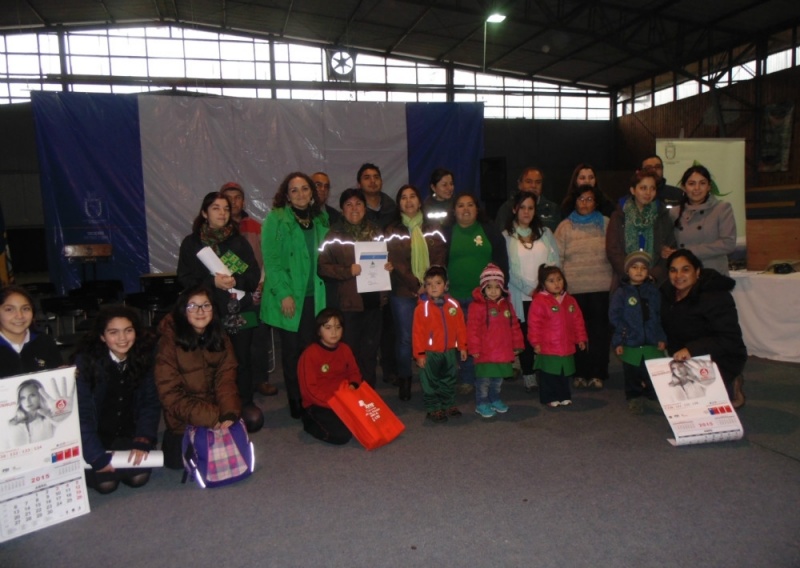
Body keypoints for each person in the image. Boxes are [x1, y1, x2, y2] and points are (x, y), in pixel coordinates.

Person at [177, 191, 262, 427]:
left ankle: (244, 402)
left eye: (226, 208)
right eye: (216, 208)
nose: (222, 213)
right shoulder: (191, 243)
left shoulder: (239, 241)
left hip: (240, 310)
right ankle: (211, 406)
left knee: (241, 359)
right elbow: (184, 278)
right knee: (209, 362)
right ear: (204, 213)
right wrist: (211, 282)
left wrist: (236, 281)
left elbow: (253, 275)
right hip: (207, 314)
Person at [261, 172, 329, 419]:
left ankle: (311, 395)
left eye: (305, 188)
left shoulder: (321, 218)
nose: (300, 194)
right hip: (290, 296)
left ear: (312, 192)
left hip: (316, 295)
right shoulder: (276, 219)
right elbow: (272, 261)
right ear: (287, 196)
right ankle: (295, 399)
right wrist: (283, 294)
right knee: (292, 352)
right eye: (294, 190)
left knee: (312, 349)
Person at [72, 305, 160, 494]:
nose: (122, 338)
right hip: (97, 436)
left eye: (128, 331)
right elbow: (83, 414)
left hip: (128, 434)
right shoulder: (86, 363)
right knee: (106, 485)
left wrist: (142, 439)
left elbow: (150, 404)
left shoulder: (144, 357)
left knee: (138, 478)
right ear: (103, 337)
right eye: (114, 332)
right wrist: (95, 455)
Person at [154, 285, 242, 470]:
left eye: (206, 305)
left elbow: (226, 379)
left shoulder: (219, 335)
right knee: (178, 462)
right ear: (182, 310)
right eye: (192, 306)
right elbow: (170, 395)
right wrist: (213, 418)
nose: (200, 311)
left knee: (252, 419)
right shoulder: (168, 341)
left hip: (216, 410)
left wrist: (228, 413)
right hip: (184, 420)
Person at [318, 188, 393, 387]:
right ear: (342, 209)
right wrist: (347, 270)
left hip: (374, 302)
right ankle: (351, 394)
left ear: (365, 208)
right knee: (350, 352)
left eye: (358, 204)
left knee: (369, 352)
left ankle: (369, 393)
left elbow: (386, 258)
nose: (354, 208)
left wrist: (388, 266)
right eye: (349, 204)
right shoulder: (333, 234)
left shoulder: (376, 232)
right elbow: (322, 267)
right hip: (349, 304)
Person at [660, 249, 747, 408]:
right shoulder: (666, 294)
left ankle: (732, 380)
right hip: (681, 358)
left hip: (720, 356)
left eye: (685, 269)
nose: (678, 275)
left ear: (697, 271)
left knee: (708, 405)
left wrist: (691, 350)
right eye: (673, 270)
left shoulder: (716, 296)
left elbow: (729, 339)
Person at [385, 184, 447, 401]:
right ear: (398, 203)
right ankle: (405, 379)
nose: (408, 201)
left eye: (413, 196)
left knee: (432, 337)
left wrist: (429, 284)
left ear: (420, 201)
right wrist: (415, 285)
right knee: (404, 339)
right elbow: (394, 261)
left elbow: (440, 255)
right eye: (403, 197)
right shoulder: (392, 230)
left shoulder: (434, 227)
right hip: (402, 292)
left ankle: (431, 378)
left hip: (432, 291)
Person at [443, 193, 508, 394]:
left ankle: (470, 379)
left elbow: (501, 260)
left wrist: (499, 291)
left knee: (475, 340)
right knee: (454, 339)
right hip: (452, 297)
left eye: (470, 204)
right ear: (454, 211)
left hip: (481, 299)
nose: (465, 209)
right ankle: (454, 375)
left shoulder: (489, 230)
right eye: (460, 205)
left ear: (477, 208)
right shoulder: (446, 232)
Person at [220, 181, 278, 397]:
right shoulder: (217, 230)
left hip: (255, 292)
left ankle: (260, 379)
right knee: (234, 340)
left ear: (243, 201)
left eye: (238, 197)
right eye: (229, 197)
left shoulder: (255, 226)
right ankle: (233, 382)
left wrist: (262, 282)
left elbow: (266, 259)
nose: (234, 202)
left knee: (258, 338)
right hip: (228, 297)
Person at [555, 184, 613, 390]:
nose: (585, 203)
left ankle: (598, 372)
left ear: (596, 202)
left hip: (601, 288)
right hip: (574, 290)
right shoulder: (565, 227)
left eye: (589, 199)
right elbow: (557, 260)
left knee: (599, 333)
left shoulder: (606, 224)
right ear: (574, 201)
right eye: (581, 199)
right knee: (576, 333)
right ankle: (579, 372)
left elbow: (614, 253)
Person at [502, 191, 560, 392]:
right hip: (521, 295)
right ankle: (528, 375)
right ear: (514, 209)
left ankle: (548, 372)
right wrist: (530, 289)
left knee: (547, 335)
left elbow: (556, 263)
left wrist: (544, 288)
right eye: (523, 207)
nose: (526, 211)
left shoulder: (546, 233)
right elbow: (508, 269)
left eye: (531, 208)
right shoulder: (506, 236)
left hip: (545, 295)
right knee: (526, 337)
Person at [608, 251, 667, 414]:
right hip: (630, 342)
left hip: (652, 341)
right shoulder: (621, 293)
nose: (639, 271)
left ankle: (652, 397)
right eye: (634, 267)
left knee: (652, 373)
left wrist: (661, 337)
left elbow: (659, 316)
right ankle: (634, 398)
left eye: (643, 268)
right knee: (632, 374)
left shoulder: (654, 292)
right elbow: (615, 318)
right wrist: (619, 340)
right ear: (627, 271)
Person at [356, 163, 398, 385]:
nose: (372, 181)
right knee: (369, 329)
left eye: (376, 176)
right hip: (365, 278)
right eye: (366, 177)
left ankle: (390, 369)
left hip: (391, 275)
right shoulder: (355, 210)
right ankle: (365, 374)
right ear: (359, 183)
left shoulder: (393, 208)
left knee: (390, 326)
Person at [298, 308, 362, 445]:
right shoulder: (310, 354)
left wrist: (353, 385)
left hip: (344, 399)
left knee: (371, 420)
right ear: (318, 331)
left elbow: (354, 373)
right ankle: (309, 422)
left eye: (338, 327)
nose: (334, 332)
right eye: (328, 327)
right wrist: (335, 403)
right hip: (319, 404)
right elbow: (309, 391)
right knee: (342, 436)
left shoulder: (345, 349)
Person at [467, 263, 523, 418]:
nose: (493, 291)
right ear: (483, 288)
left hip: (502, 351)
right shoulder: (476, 306)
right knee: (483, 381)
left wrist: (517, 345)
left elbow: (514, 326)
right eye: (489, 287)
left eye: (497, 287)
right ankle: (482, 402)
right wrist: (474, 348)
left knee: (497, 381)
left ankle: (495, 398)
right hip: (485, 352)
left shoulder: (507, 305)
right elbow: (472, 330)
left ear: (502, 288)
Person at [412, 265, 467, 423]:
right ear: (425, 287)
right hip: (430, 353)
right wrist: (419, 354)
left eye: (437, 283)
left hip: (449, 352)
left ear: (446, 285)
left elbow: (460, 328)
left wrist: (462, 346)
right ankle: (433, 408)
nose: (433, 287)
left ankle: (448, 404)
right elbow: (417, 333)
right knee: (430, 382)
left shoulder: (454, 305)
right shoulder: (422, 309)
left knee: (449, 379)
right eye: (429, 284)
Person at [527, 264, 587, 408]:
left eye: (559, 279)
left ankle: (564, 395)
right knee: (549, 375)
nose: (556, 283)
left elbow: (578, 321)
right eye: (551, 280)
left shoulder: (570, 300)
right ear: (543, 284)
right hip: (548, 346)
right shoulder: (539, 302)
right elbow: (534, 324)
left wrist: (581, 338)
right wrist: (535, 342)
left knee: (564, 374)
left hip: (566, 345)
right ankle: (549, 397)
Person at [606, 170, 676, 291]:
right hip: (624, 283)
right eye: (643, 188)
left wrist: (652, 276)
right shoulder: (618, 216)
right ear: (633, 190)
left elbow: (669, 250)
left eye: (652, 188)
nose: (648, 193)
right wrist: (632, 274)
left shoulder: (662, 216)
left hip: (656, 284)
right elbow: (613, 251)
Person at [665, 165, 736, 276]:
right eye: (691, 184)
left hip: (713, 273)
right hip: (683, 276)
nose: (697, 188)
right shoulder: (674, 212)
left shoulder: (722, 208)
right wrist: (665, 250)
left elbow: (728, 244)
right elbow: (668, 242)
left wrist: (688, 252)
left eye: (702, 183)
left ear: (709, 187)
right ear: (683, 187)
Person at [0, 285, 62, 378]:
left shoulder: (45, 342)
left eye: (25, 309)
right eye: (9, 309)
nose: (19, 316)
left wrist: (65, 373)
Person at [494, 167, 561, 233]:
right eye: (528, 182)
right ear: (520, 185)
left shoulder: (553, 209)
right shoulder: (507, 208)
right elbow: (499, 238)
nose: (534, 186)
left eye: (538, 182)